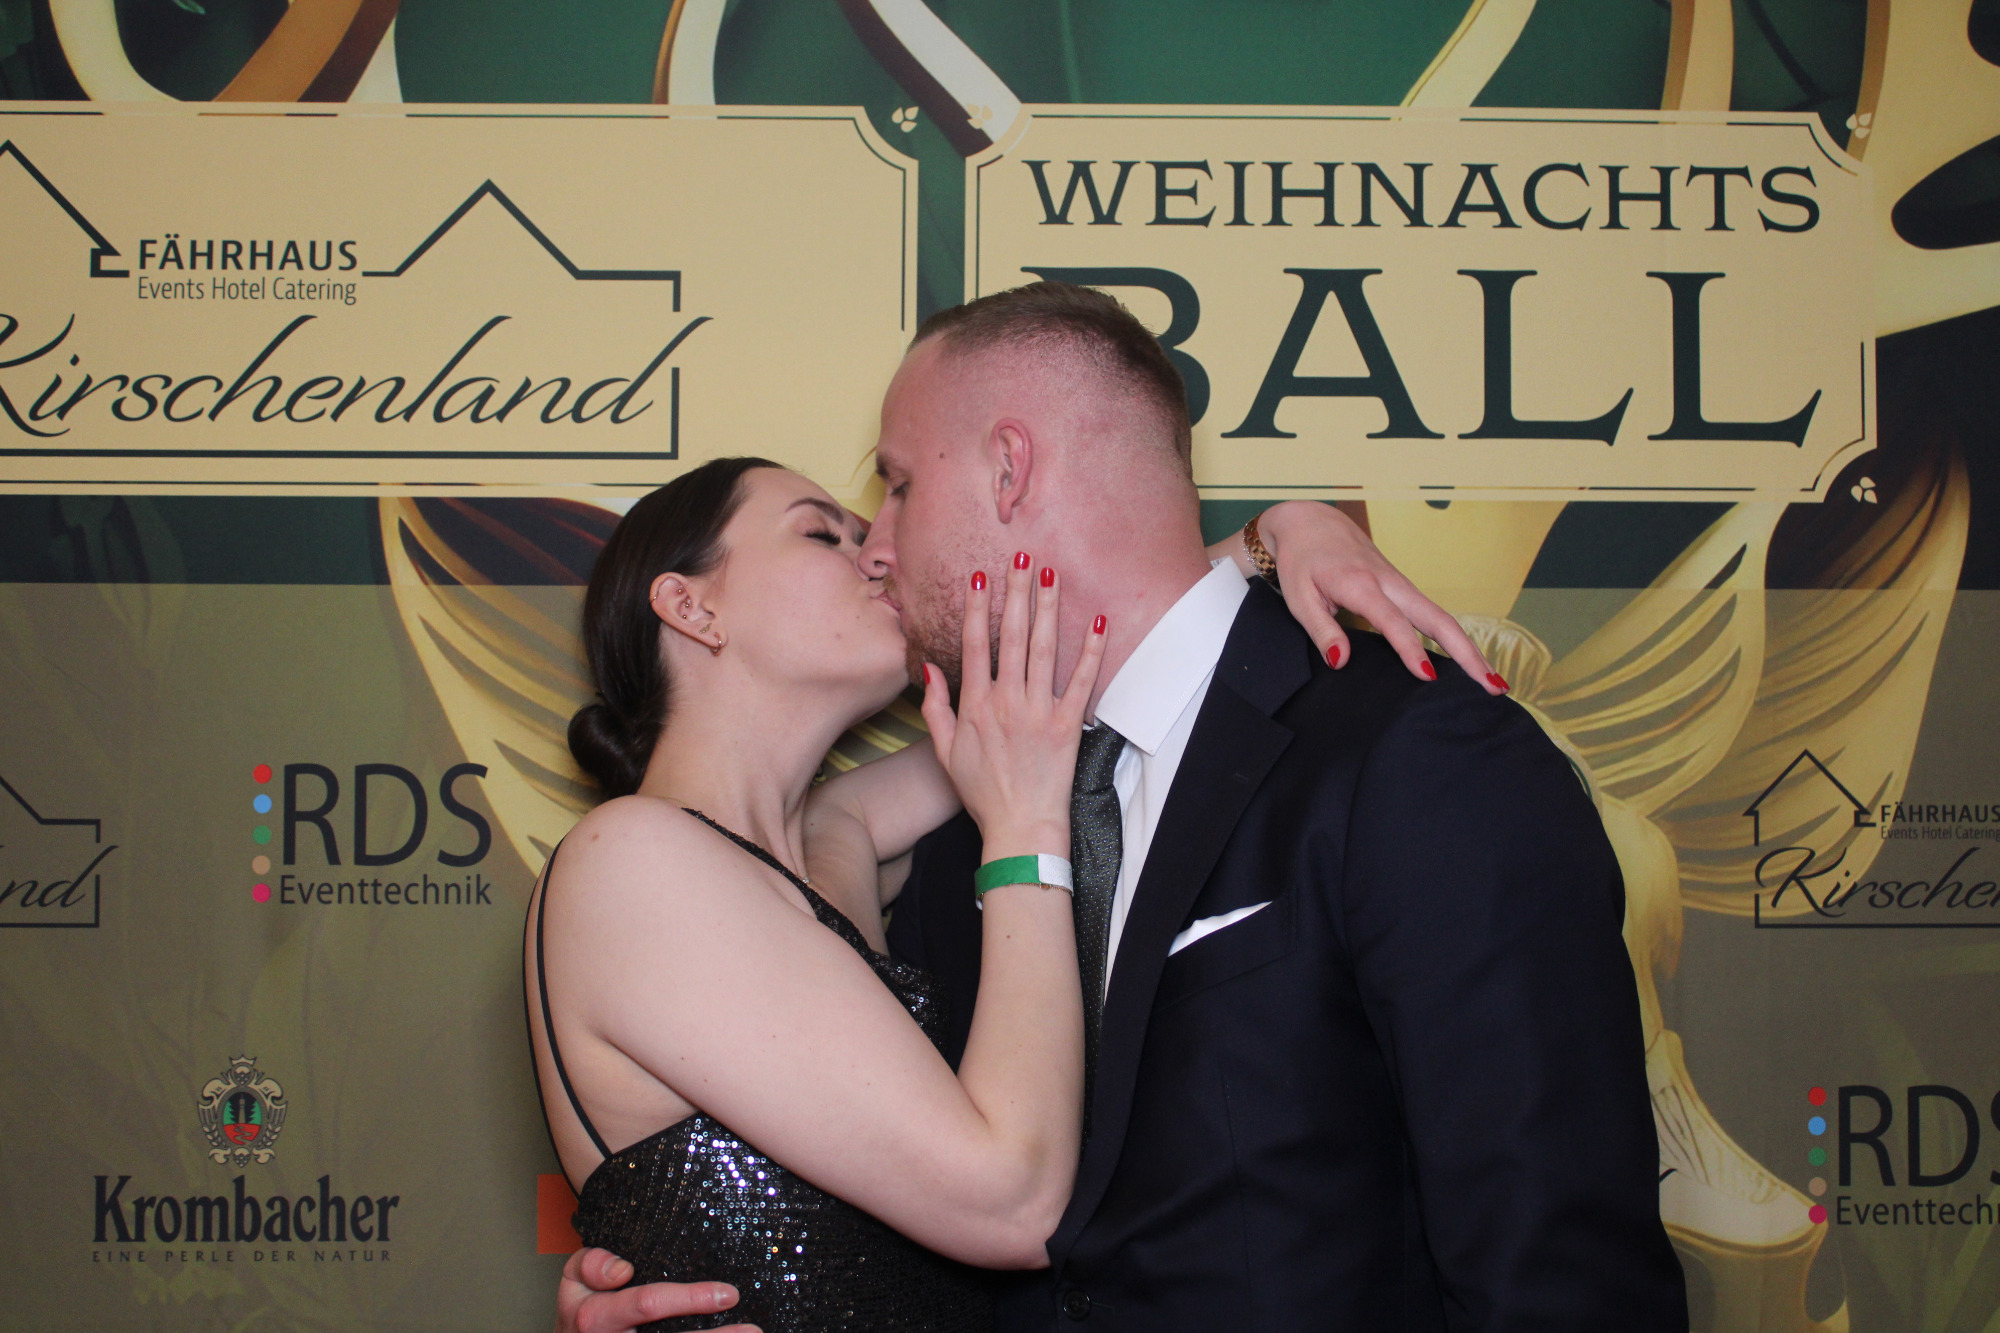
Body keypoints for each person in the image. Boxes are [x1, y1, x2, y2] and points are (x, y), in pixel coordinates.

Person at [561, 280, 1686, 1333]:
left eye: (895, 488)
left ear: (1010, 469)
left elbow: (1559, 1270)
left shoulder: (1407, 754)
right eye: (839, 525)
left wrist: (1274, 531)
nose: (881, 549)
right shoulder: (970, 844)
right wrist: (685, 1245)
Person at [533, 438, 1501, 1328]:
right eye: (822, 535)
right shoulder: (630, 864)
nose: (875, 557)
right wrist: (1025, 831)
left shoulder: (828, 842)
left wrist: (1267, 541)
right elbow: (1013, 1198)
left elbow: (1073, 683)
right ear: (689, 606)